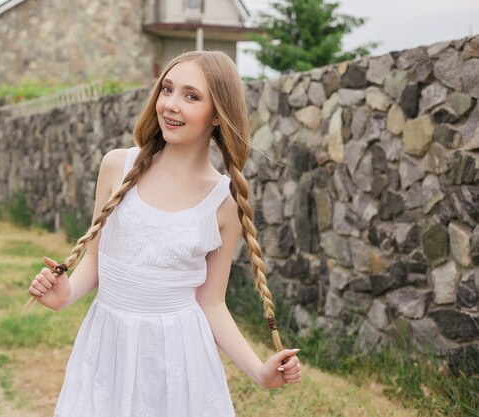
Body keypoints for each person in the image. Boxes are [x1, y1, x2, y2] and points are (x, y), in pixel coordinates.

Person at [26, 50, 302, 417]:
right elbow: (96, 258)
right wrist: (66, 293)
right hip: (108, 345)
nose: (171, 105)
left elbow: (212, 303)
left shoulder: (223, 201)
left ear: (218, 114)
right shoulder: (117, 166)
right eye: (167, 89)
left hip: (178, 359)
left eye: (191, 96)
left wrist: (259, 372)